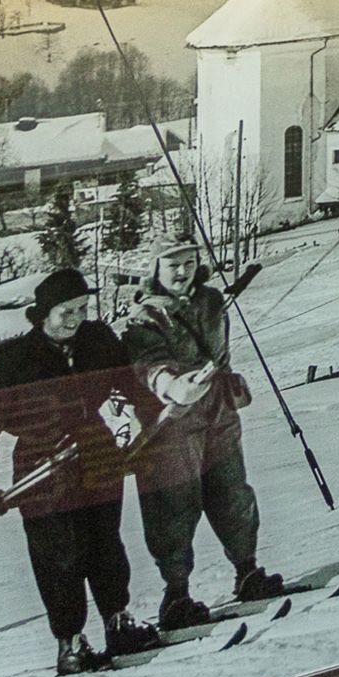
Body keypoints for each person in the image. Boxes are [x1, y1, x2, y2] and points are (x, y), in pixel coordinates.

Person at [0, 267, 164, 675]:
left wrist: (150, 424)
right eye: (66, 311)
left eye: (82, 308)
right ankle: (70, 645)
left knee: (106, 545)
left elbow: (128, 386)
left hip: (96, 453)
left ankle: (118, 623)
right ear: (44, 314)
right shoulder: (15, 360)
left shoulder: (98, 342)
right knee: (59, 558)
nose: (76, 318)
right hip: (42, 465)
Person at [120, 244, 283, 630]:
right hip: (171, 422)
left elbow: (220, 354)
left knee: (233, 495)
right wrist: (172, 385)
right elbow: (149, 365)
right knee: (173, 506)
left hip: (218, 412)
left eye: (189, 264)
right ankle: (176, 596)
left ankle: (247, 572)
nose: (182, 272)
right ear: (155, 268)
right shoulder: (144, 318)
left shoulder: (211, 301)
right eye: (173, 265)